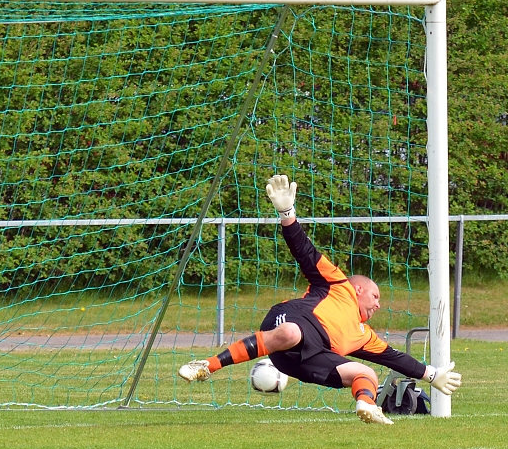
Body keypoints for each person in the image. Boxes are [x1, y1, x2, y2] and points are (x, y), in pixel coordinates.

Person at [180, 174, 462, 425]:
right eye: (375, 296)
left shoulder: (365, 336)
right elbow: (305, 251)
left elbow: (394, 358)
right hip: (289, 323)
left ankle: (366, 405)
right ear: (358, 289)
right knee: (291, 333)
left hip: (306, 361)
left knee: (365, 373)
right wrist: (287, 213)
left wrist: (431, 374)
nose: (378, 304)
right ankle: (206, 365)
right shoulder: (337, 284)